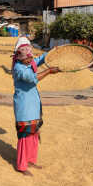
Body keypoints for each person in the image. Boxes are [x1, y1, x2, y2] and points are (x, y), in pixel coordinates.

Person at [12, 40, 59, 176]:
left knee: (34, 132)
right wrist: (49, 71)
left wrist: (52, 52)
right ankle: (21, 165)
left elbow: (39, 59)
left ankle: (31, 160)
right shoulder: (18, 68)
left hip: (33, 104)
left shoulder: (29, 62)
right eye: (27, 58)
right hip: (24, 105)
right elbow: (32, 78)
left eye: (30, 57)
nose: (30, 60)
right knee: (25, 135)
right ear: (20, 58)